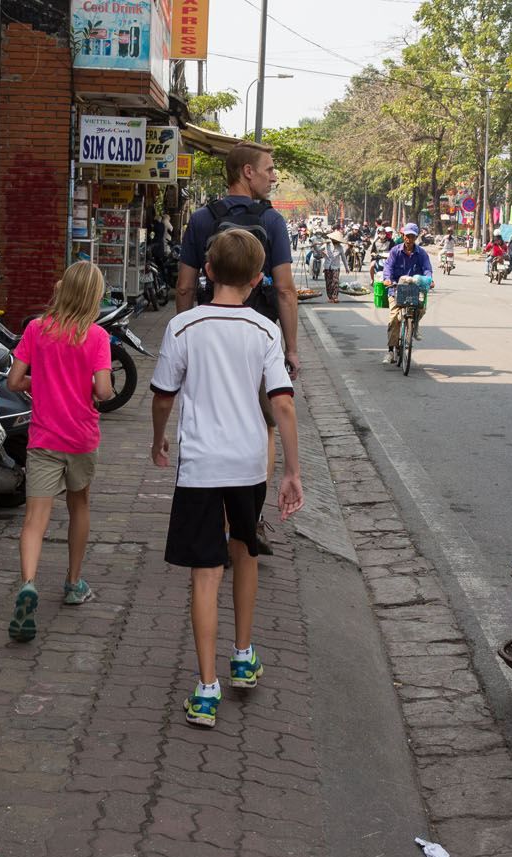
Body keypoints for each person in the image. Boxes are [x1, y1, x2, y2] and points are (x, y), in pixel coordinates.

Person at [151, 229, 304, 729]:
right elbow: (281, 402)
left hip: (199, 466)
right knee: (244, 551)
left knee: (205, 574)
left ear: (208, 271)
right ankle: (243, 657)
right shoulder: (265, 331)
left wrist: (158, 438)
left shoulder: (182, 328)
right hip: (247, 464)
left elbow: (163, 395)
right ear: (259, 278)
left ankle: (206, 688)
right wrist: (292, 471)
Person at [176, 141, 300, 556]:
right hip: (258, 333)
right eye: (268, 169)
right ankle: (251, 514)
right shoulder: (273, 221)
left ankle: (217, 518)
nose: (272, 176)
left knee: (211, 413)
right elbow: (284, 289)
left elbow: (184, 286)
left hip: (209, 331)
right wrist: (292, 346)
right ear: (246, 172)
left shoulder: (200, 219)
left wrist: (185, 330)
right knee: (262, 423)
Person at [7, 261, 116, 644]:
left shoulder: (37, 329)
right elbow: (103, 392)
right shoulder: (98, 336)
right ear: (94, 297)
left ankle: (29, 583)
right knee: (79, 506)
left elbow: (14, 380)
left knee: (35, 518)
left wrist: (46, 381)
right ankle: (72, 583)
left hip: (43, 439)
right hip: (81, 439)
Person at [382, 223, 434, 363]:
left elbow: (427, 269)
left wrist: (429, 280)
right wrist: (387, 279)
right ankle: (391, 351)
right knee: (393, 319)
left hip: (414, 290)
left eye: (412, 236)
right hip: (396, 288)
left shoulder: (421, 253)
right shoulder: (395, 251)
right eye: (407, 236)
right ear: (403, 236)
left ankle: (414, 326)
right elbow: (388, 268)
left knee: (421, 308)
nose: (409, 239)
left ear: (416, 237)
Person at [324, 230, 345, 302]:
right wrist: (315, 247)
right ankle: (330, 297)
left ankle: (335, 297)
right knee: (328, 282)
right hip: (327, 267)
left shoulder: (340, 248)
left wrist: (347, 267)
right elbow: (319, 251)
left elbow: (343, 258)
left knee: (335, 281)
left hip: (336, 267)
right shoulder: (327, 245)